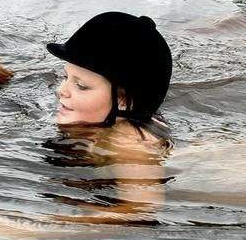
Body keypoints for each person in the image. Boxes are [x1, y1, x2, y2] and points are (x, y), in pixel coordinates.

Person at [47, 11, 172, 146]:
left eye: (81, 86)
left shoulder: (129, 150)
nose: (61, 91)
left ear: (123, 100)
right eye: (65, 77)